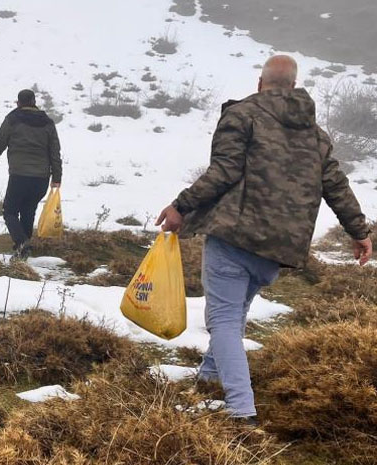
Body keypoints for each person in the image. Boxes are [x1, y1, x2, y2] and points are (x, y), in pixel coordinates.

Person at [156, 55, 372, 424]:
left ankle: (241, 411)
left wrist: (181, 205)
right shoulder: (316, 136)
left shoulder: (242, 116)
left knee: (223, 319)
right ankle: (209, 379)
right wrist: (359, 232)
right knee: (234, 313)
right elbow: (336, 185)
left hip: (235, 236)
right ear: (293, 86)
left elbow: (224, 171)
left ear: (260, 84)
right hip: (279, 248)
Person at [0, 89, 62, 260]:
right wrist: (56, 177)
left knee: (10, 211)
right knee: (28, 211)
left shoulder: (13, 119)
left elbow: (0, 141)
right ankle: (23, 251)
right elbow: (55, 152)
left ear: (18, 102)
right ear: (34, 101)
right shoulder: (47, 122)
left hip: (19, 175)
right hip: (41, 178)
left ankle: (22, 243)